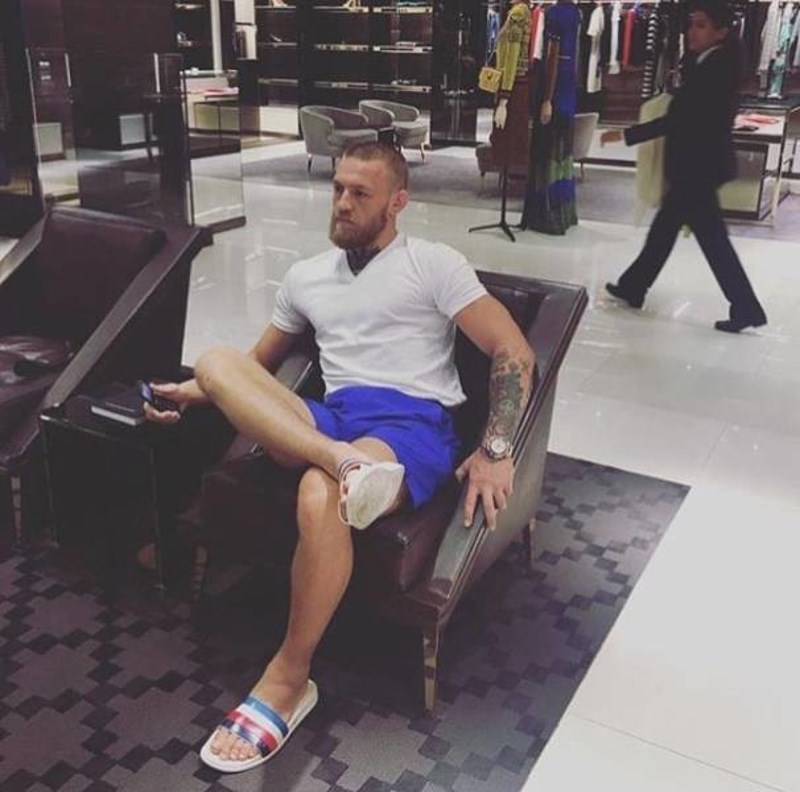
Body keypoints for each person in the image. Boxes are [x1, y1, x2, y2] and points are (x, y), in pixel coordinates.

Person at [144, 142, 535, 773]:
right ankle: (341, 460)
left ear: (397, 202)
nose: (343, 204)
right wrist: (194, 391)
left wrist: (496, 448)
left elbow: (513, 351)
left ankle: (289, 675)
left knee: (317, 493)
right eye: (337, 189)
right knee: (216, 360)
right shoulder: (306, 277)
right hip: (333, 418)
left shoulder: (433, 263)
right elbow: (255, 368)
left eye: (360, 193)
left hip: (409, 424)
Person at [601, 0, 767, 334]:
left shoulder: (716, 68)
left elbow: (680, 119)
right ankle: (634, 286)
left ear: (720, 31)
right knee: (667, 231)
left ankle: (746, 307)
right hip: (697, 166)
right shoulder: (709, 62)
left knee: (711, 241)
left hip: (699, 169)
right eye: (692, 24)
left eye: (701, 25)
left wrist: (628, 134)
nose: (692, 31)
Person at [518, 0, 581, 235]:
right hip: (568, 89)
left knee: (547, 153)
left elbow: (553, 56)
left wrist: (546, 99)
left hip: (555, 89)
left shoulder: (554, 14)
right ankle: (564, 213)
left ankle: (547, 216)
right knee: (563, 154)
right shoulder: (576, 13)